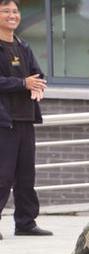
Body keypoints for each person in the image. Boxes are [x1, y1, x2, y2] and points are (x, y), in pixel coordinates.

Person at [0, 0, 52, 239]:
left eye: (15, 11)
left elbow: (37, 73)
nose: (12, 15)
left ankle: (25, 222)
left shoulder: (23, 45)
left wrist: (38, 85)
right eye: (6, 11)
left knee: (26, 175)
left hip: (25, 119)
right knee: (3, 174)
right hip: (4, 121)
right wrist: (23, 83)